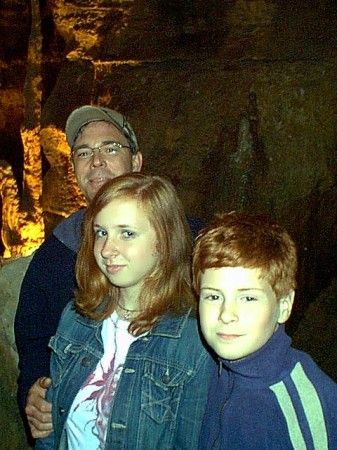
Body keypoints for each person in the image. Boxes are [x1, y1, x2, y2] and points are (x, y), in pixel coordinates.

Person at [14, 105, 204, 440]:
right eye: (84, 152)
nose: (96, 160)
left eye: (110, 148)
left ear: (137, 162)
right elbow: (34, 343)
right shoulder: (55, 257)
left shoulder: (195, 244)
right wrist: (35, 393)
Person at [35, 173, 212, 450]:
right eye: (101, 232)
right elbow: (51, 428)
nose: (107, 249)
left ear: (164, 241)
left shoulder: (194, 342)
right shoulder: (76, 317)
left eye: (126, 233)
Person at [192, 211, 337, 450]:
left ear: (283, 306)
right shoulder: (214, 368)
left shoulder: (303, 409)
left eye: (248, 298)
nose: (227, 314)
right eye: (214, 296)